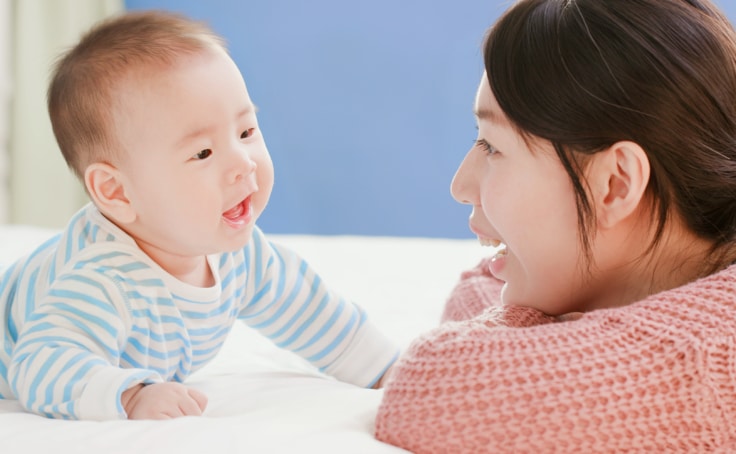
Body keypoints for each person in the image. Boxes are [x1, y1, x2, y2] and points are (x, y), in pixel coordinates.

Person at [0, 10, 398, 421]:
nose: (242, 162)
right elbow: (39, 363)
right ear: (116, 192)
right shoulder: (103, 279)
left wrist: (388, 370)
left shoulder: (241, 256)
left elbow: (315, 314)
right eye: (203, 153)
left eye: (246, 132)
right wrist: (131, 396)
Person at [375, 0, 736, 451]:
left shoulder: (702, 363)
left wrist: (533, 320)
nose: (460, 186)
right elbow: (475, 287)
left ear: (615, 184)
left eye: (492, 147)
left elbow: (427, 388)